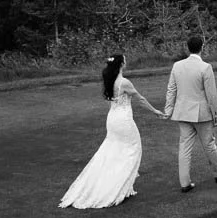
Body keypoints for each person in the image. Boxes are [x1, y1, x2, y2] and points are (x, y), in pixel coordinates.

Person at [59, 53, 164, 209]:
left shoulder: (110, 81)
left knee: (113, 151)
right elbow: (140, 99)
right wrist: (155, 111)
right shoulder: (124, 82)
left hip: (112, 119)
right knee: (133, 150)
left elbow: (111, 103)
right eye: (125, 60)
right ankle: (118, 187)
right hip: (123, 120)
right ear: (121, 64)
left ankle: (123, 186)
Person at [161, 35, 217, 192]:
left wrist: (168, 110)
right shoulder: (205, 67)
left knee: (184, 147)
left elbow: (171, 89)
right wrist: (216, 115)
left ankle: (185, 183)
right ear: (202, 48)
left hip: (182, 113)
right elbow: (211, 94)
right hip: (201, 114)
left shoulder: (177, 66)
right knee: (209, 144)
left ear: (188, 48)